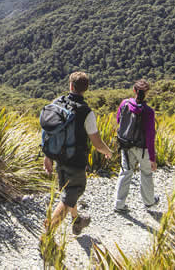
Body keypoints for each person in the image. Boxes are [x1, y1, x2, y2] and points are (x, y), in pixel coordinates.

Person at [43, 71, 114, 235]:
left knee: (69, 193)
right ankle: (47, 234)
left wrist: (48, 156)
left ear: (70, 85)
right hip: (75, 162)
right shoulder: (86, 113)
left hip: (59, 158)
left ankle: (77, 221)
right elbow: (97, 143)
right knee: (69, 198)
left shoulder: (57, 104)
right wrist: (108, 151)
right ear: (86, 89)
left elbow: (50, 132)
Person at [113, 79, 160, 213]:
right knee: (146, 173)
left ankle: (119, 204)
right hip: (143, 148)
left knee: (125, 173)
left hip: (126, 145)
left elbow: (118, 120)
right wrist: (152, 158)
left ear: (134, 90)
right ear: (147, 93)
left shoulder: (124, 104)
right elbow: (150, 136)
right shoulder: (148, 112)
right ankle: (149, 201)